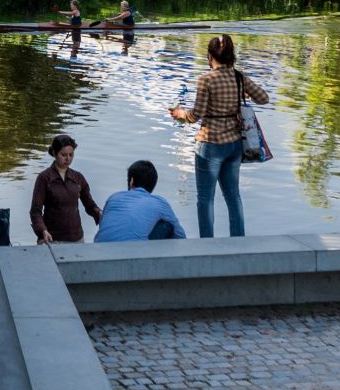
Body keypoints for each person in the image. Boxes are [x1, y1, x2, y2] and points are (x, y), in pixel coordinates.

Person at [169, 34, 269, 237]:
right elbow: (264, 98)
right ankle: (238, 241)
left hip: (210, 144)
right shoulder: (238, 77)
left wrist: (180, 114)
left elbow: (196, 115)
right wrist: (243, 93)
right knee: (233, 197)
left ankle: (207, 244)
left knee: (206, 198)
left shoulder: (206, 80)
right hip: (234, 145)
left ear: (209, 56)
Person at [29, 133, 101, 245]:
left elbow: (89, 204)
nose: (68, 159)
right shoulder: (44, 178)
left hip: (77, 238)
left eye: (71, 155)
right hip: (52, 238)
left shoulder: (78, 177)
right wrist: (42, 230)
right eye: (63, 155)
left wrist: (99, 213)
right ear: (54, 153)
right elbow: (35, 211)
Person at [94, 160, 188, 242]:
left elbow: (103, 226)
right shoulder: (159, 202)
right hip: (133, 255)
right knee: (167, 226)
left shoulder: (113, 198)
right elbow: (180, 235)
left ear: (131, 181)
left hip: (100, 250)